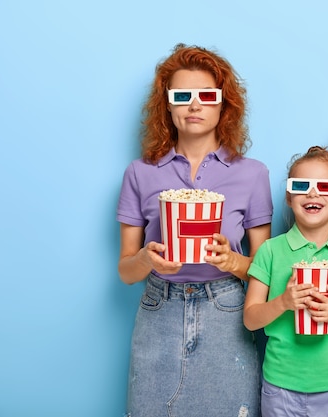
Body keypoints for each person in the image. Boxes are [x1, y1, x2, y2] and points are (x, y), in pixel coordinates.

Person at [116, 43, 273, 417]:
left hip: (228, 313)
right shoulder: (140, 172)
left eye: (207, 95)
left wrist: (232, 262)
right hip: (159, 309)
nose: (194, 105)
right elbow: (125, 271)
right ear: (167, 106)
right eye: (182, 96)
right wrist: (147, 259)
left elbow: (266, 268)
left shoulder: (252, 174)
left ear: (223, 104)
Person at [244, 146, 328, 417]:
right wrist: (283, 302)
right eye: (302, 185)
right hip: (279, 385)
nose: (313, 193)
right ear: (290, 197)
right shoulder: (270, 250)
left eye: (324, 186)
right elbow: (251, 319)